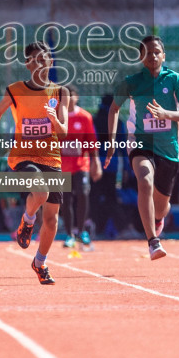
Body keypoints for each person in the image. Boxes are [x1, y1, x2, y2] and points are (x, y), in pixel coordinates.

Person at [0, 43, 69, 284]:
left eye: (45, 59)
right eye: (35, 60)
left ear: (51, 62)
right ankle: (28, 220)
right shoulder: (16, 90)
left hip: (51, 157)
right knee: (40, 191)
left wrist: (54, 121)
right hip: (23, 156)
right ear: (28, 64)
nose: (40, 63)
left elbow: (63, 133)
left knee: (52, 219)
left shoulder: (60, 92)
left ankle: (39, 262)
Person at [108, 35, 179, 260]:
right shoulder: (132, 82)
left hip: (169, 148)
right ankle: (152, 242)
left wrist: (166, 114)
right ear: (141, 57)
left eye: (157, 52)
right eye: (148, 52)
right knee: (145, 180)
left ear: (163, 55)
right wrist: (110, 142)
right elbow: (114, 108)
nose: (153, 56)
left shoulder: (176, 80)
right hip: (140, 143)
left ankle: (157, 220)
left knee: (161, 207)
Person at [60, 90, 100, 249]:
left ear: (77, 97)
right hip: (62, 167)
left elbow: (91, 141)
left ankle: (82, 231)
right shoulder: (56, 117)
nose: (69, 98)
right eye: (65, 95)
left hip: (81, 165)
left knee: (83, 194)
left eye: (72, 94)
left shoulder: (85, 117)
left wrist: (95, 162)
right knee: (66, 200)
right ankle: (70, 234)